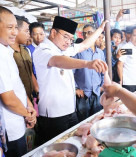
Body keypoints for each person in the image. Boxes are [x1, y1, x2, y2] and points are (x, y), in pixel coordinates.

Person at [33, 16, 108, 144]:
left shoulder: (63, 48)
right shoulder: (43, 50)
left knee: (72, 144)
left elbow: (84, 45)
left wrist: (100, 29)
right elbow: (56, 60)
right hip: (54, 115)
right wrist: (87, 63)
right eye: (65, 37)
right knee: (58, 149)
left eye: (71, 39)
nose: (68, 42)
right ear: (53, 32)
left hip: (70, 110)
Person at [0, 6, 36, 157]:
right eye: (10, 27)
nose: (14, 32)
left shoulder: (6, 51)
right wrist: (28, 114)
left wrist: (28, 105)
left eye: (15, 27)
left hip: (18, 119)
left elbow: (17, 86)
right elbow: (8, 98)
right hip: (10, 128)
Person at [73, 24, 105, 121]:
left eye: (89, 32)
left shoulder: (100, 53)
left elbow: (103, 71)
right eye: (84, 33)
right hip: (83, 94)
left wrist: (102, 85)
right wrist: (76, 88)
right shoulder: (78, 52)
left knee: (97, 120)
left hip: (97, 92)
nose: (86, 35)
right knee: (83, 122)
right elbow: (70, 72)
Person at [10, 15, 39, 104]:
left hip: (29, 99)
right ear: (16, 30)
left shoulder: (26, 51)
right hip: (16, 101)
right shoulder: (8, 53)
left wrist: (37, 90)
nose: (29, 35)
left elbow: (30, 73)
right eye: (26, 31)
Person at [117, 26, 136, 92]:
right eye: (135, 35)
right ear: (131, 36)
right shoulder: (126, 47)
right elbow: (120, 64)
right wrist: (121, 80)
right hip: (128, 83)